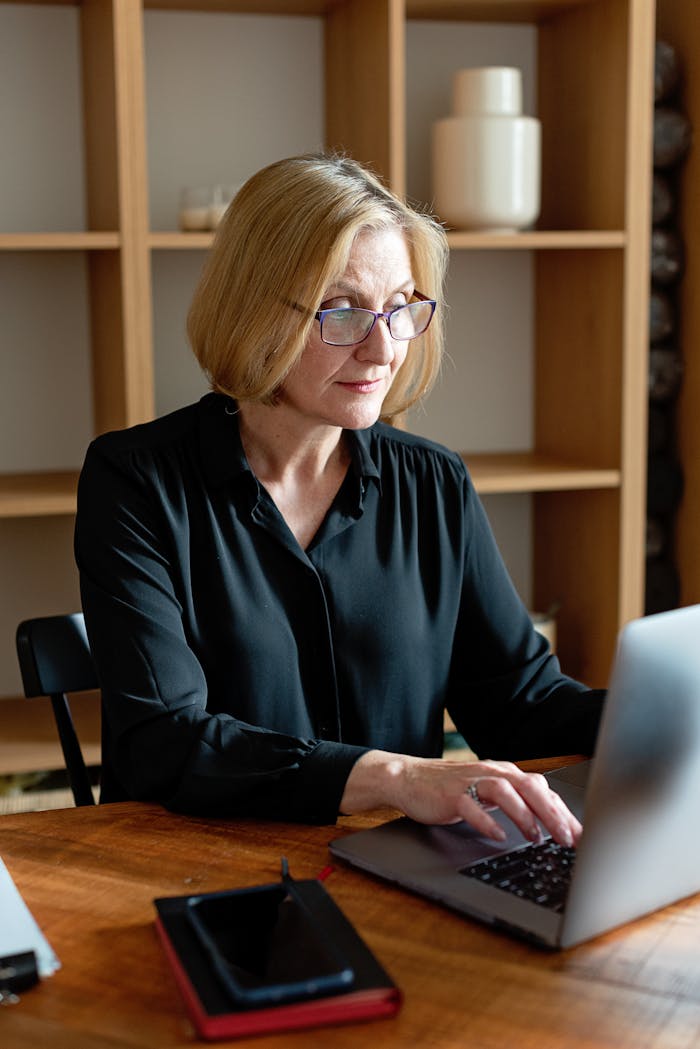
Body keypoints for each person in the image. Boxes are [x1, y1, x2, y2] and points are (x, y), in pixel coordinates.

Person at [75, 152, 604, 847]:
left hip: (392, 876)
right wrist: (393, 777)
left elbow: (520, 704)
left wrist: (661, 720)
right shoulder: (137, 482)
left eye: (399, 307)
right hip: (196, 872)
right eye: (344, 310)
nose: (383, 349)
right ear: (255, 312)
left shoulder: (435, 484)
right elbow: (164, 742)